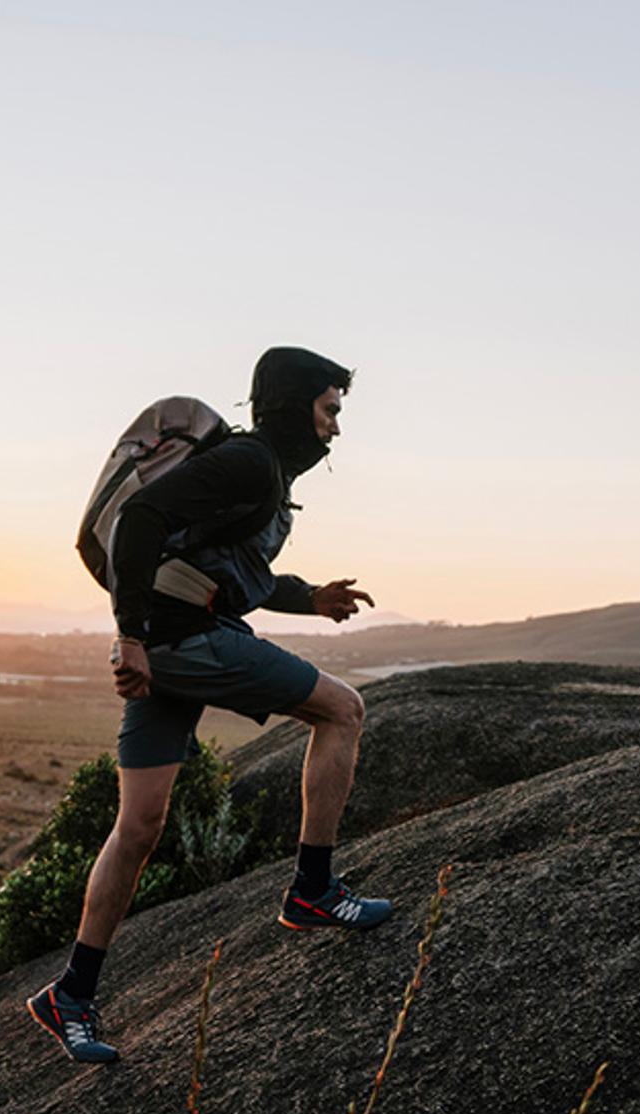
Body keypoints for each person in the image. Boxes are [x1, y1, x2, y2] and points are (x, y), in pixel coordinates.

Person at [28, 347, 392, 1064]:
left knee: (139, 825)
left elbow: (227, 571)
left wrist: (307, 597)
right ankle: (313, 889)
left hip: (177, 638)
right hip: (184, 642)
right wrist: (129, 635)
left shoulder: (263, 474)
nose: (335, 430)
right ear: (295, 408)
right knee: (343, 710)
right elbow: (140, 518)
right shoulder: (252, 463)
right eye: (330, 411)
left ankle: (70, 991)